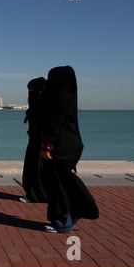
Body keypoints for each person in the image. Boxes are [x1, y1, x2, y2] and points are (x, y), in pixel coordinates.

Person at [40, 66, 99, 233]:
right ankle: (75, 212)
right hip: (73, 145)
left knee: (57, 184)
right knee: (64, 181)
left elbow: (54, 125)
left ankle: (64, 222)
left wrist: (47, 147)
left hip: (60, 145)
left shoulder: (57, 98)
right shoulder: (70, 96)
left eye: (51, 78)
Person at [20, 77, 48, 203]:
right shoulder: (41, 102)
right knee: (35, 167)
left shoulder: (43, 103)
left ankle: (36, 195)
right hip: (36, 139)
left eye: (32, 90)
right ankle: (37, 193)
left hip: (39, 141)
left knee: (35, 167)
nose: (30, 93)